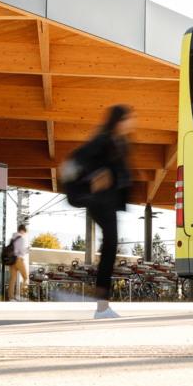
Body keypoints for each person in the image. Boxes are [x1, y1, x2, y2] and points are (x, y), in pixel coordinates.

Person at [67, 104, 133, 319]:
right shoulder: (104, 139)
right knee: (110, 247)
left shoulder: (119, 142)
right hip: (100, 201)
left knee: (110, 248)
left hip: (108, 202)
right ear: (119, 121)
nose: (132, 123)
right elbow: (80, 155)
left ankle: (102, 304)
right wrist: (97, 176)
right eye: (129, 119)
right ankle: (101, 305)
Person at [6, 224, 30, 301]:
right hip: (18, 259)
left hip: (12, 260)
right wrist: (27, 250)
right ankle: (20, 295)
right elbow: (22, 251)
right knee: (25, 277)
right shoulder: (20, 238)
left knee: (12, 280)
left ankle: (11, 297)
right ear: (22, 230)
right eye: (24, 232)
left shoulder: (13, 238)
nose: (24, 233)